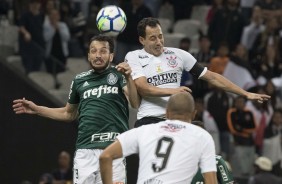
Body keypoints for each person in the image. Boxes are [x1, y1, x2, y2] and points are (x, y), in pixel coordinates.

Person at [12, 34, 140, 184]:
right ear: (88, 55)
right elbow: (68, 113)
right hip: (85, 152)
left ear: (111, 56)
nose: (98, 55)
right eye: (94, 51)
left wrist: (129, 77)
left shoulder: (118, 74)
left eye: (103, 51)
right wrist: (37, 109)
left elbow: (135, 102)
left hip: (113, 149)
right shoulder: (79, 80)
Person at [126, 17, 270, 128]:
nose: (159, 42)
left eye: (160, 36)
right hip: (148, 120)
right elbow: (143, 89)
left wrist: (245, 93)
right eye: (153, 38)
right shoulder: (134, 56)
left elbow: (213, 77)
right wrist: (175, 91)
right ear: (141, 40)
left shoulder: (178, 55)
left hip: (174, 120)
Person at [99, 92, 217, 184]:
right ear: (194, 114)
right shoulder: (202, 136)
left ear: (167, 113)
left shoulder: (145, 130)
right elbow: (210, 180)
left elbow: (105, 156)